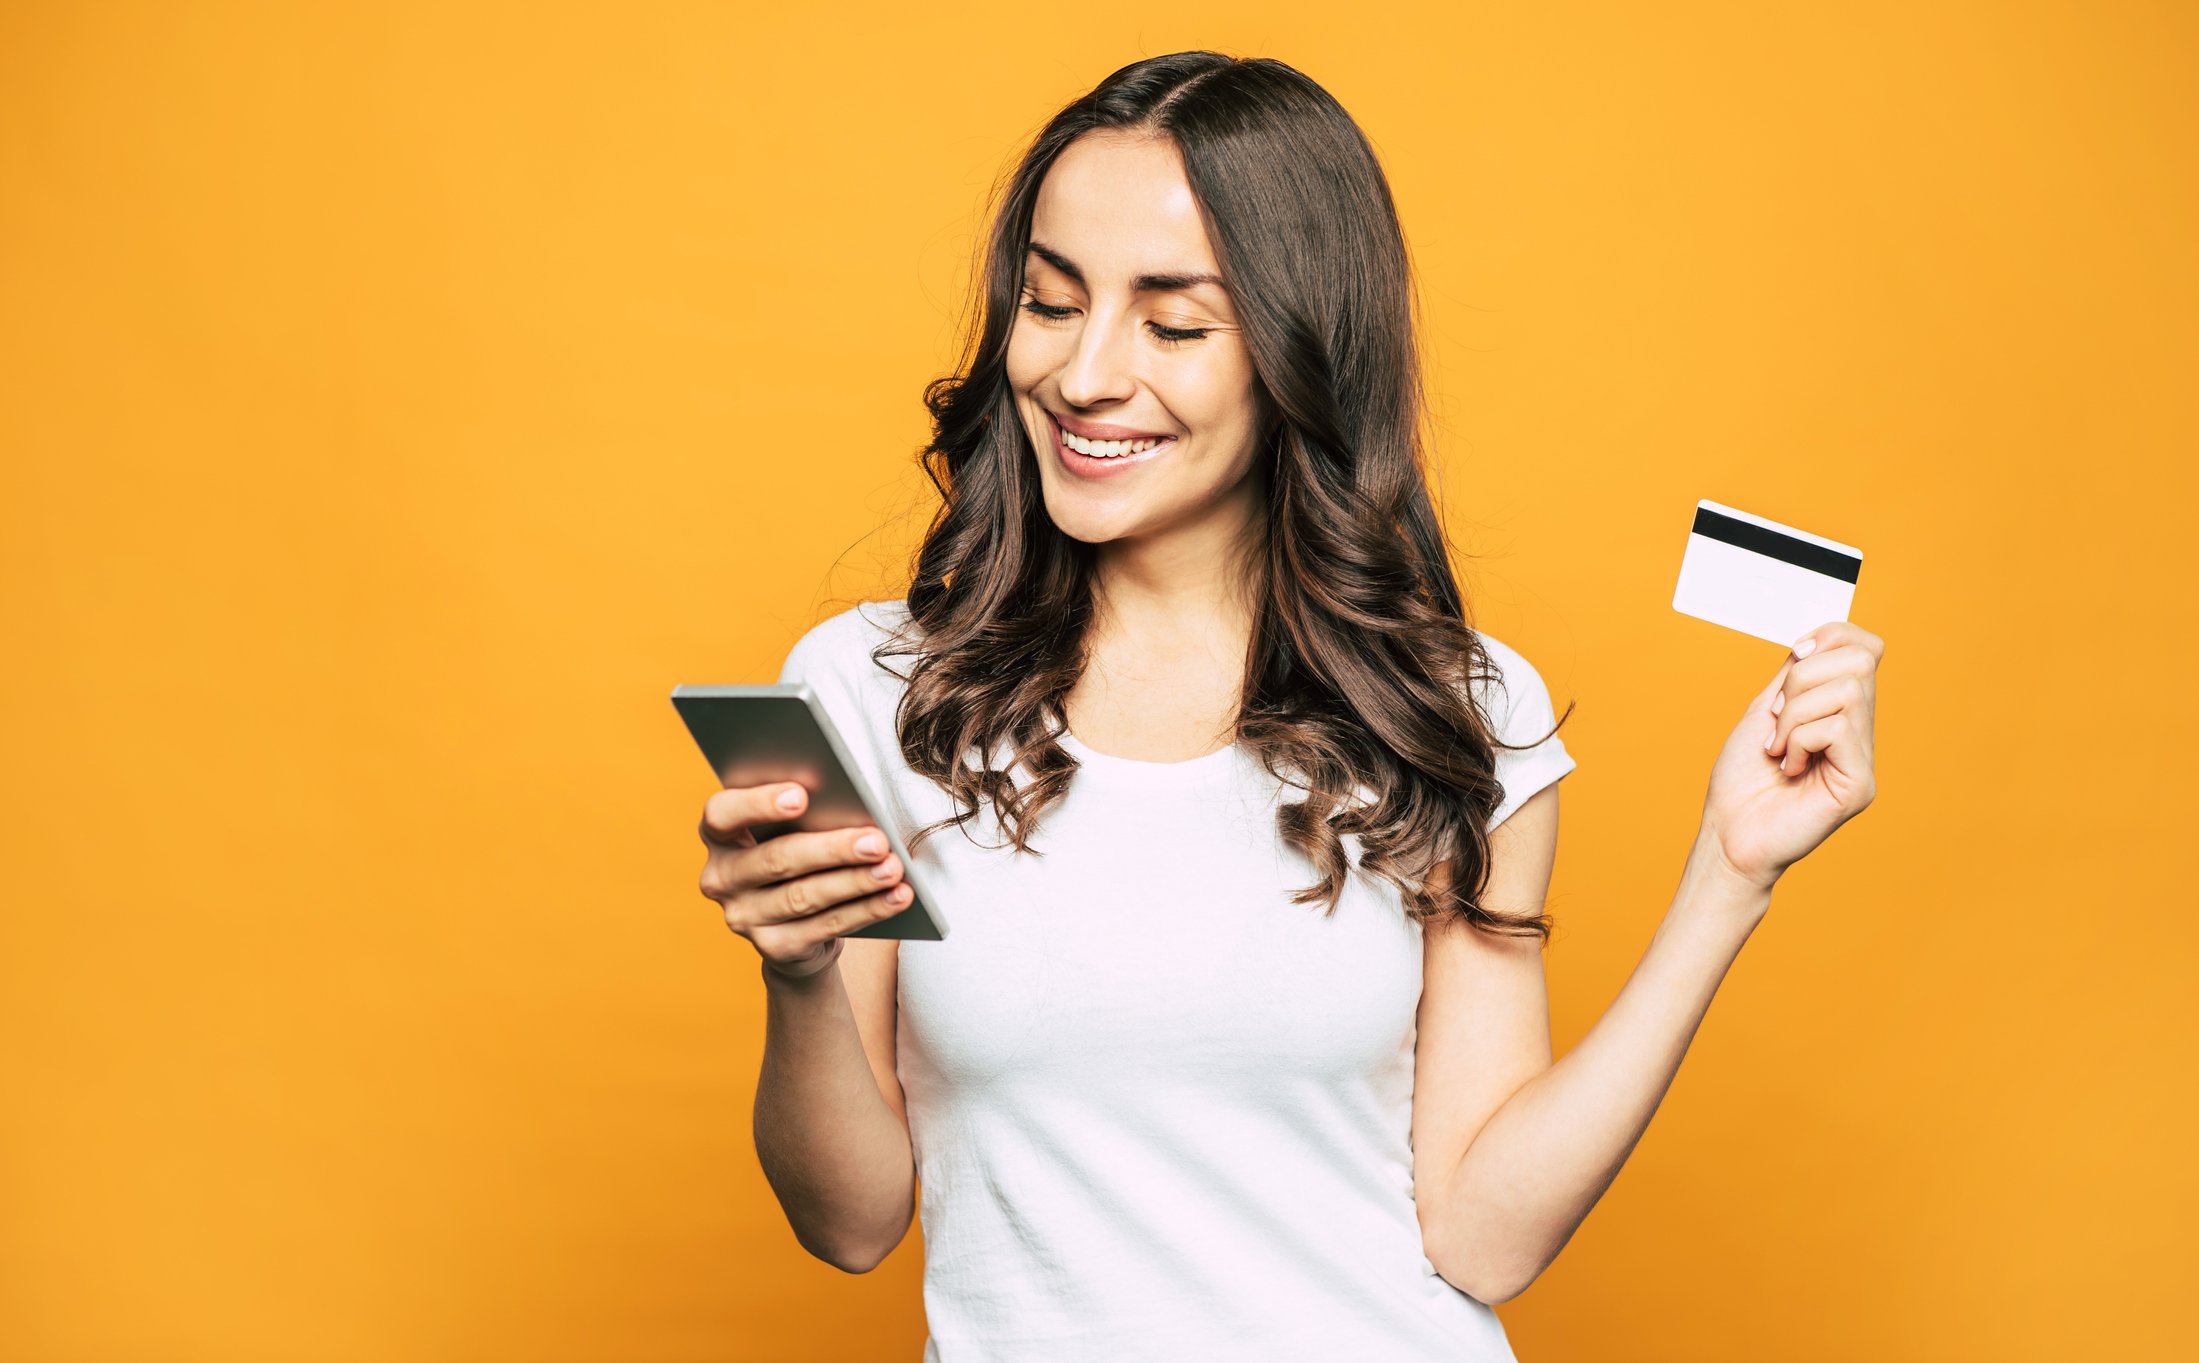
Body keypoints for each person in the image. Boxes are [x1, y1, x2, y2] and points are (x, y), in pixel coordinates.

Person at [695, 51, 1882, 1363]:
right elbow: (850, 1221)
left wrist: (1731, 874)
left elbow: (1482, 1237)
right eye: (1049, 300)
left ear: (1299, 349)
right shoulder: (867, 691)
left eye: (1175, 323)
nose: (1086, 375)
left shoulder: (1457, 706)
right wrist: (799, 973)